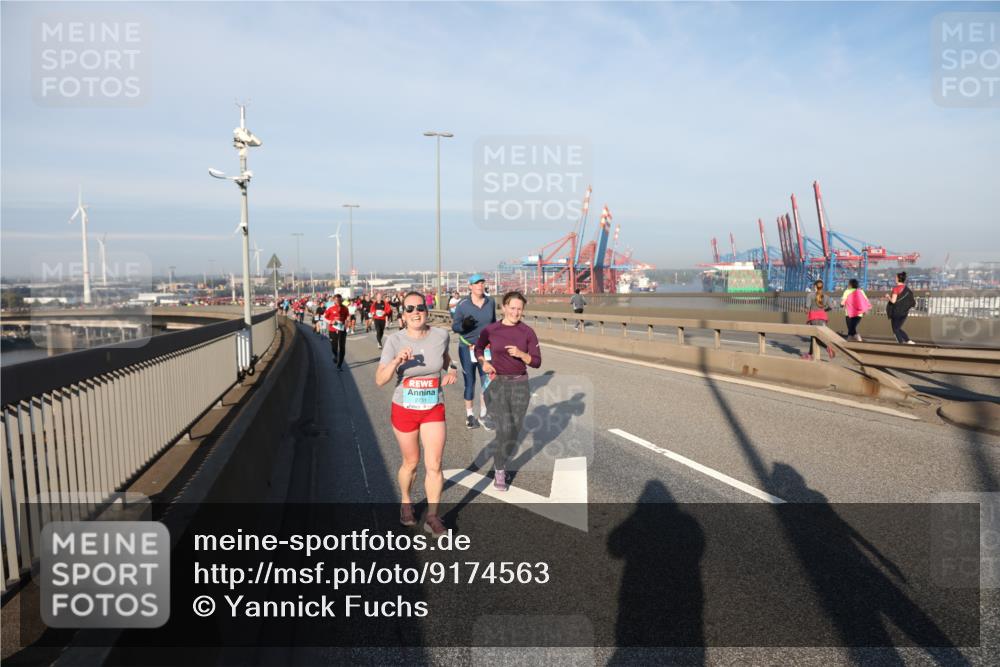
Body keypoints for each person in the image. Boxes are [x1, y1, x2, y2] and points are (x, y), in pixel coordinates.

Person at [375, 291, 458, 537]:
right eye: (409, 309)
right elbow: (380, 380)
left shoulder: (441, 335)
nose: (415, 312)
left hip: (433, 407)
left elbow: (445, 359)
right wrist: (396, 362)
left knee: (434, 464)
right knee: (411, 463)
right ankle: (406, 502)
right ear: (403, 314)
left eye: (419, 307)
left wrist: (452, 368)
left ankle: (432, 516)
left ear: (427, 310)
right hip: (404, 409)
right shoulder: (394, 341)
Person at [475, 291, 542, 492]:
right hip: (499, 383)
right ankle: (499, 470)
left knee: (513, 432)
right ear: (504, 308)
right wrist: (484, 363)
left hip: (521, 384)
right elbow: (478, 348)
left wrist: (522, 354)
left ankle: (502, 457)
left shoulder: (527, 332)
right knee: (504, 429)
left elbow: (537, 362)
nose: (515, 312)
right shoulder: (491, 330)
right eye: (512, 308)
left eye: (519, 309)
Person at [451, 274, 497, 430]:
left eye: (482, 283)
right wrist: (464, 326)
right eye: (476, 283)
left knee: (487, 382)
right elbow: (455, 327)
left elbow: (494, 324)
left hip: (485, 349)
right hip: (467, 348)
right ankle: (470, 415)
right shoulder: (463, 305)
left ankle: (484, 415)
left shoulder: (491, 302)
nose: (480, 286)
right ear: (470, 286)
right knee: (470, 383)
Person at [802, 279, 835, 360]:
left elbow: (807, 308)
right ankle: (810, 354)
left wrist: (805, 310)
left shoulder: (810, 295)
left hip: (814, 318)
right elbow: (831, 307)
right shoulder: (826, 296)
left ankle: (828, 348)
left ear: (815, 287)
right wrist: (824, 310)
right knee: (816, 337)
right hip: (823, 318)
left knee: (815, 336)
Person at [886, 271, 916, 344]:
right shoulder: (907, 289)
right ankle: (908, 340)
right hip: (904, 312)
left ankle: (901, 343)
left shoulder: (896, 289)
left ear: (898, 279)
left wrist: (888, 297)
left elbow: (893, 301)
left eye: (895, 277)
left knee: (895, 329)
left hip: (896, 312)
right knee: (898, 328)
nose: (894, 278)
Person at [324, 294, 349, 371]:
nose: (338, 301)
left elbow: (347, 317)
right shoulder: (330, 308)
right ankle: (334, 354)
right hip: (332, 330)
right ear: (334, 300)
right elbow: (324, 317)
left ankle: (339, 365)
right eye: (337, 300)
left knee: (342, 347)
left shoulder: (345, 308)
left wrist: (347, 323)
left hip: (342, 330)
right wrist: (331, 322)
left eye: (340, 300)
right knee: (334, 345)